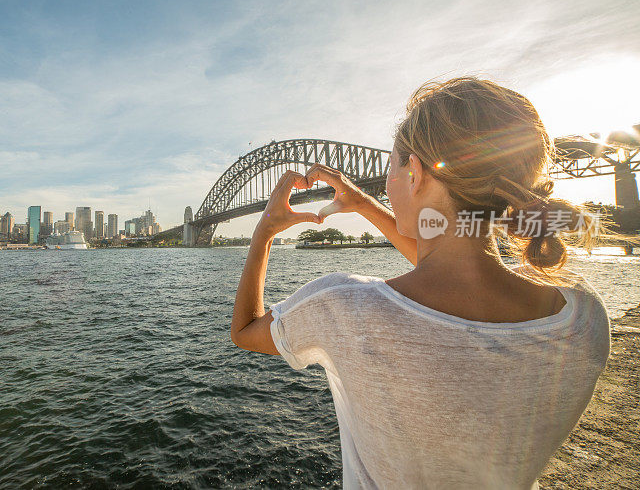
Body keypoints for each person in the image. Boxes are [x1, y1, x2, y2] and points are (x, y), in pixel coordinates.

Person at [230, 77, 616, 489]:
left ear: (413, 173)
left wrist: (264, 232)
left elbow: (245, 331)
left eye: (393, 167)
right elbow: (451, 267)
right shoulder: (584, 318)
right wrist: (363, 203)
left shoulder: (342, 305)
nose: (389, 183)